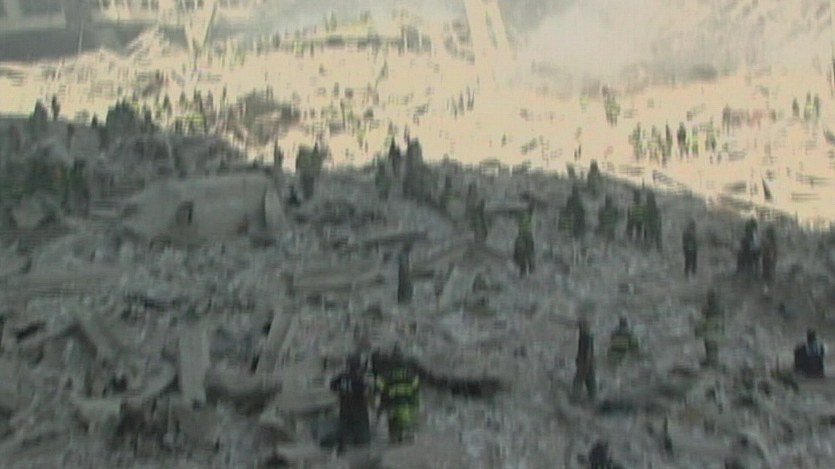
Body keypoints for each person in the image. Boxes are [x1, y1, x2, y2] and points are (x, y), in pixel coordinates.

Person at [377, 347, 420, 444]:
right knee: (407, 420)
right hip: (408, 402)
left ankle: (395, 438)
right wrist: (414, 399)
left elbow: (380, 386)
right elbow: (416, 386)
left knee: (394, 421)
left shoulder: (388, 372)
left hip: (393, 401)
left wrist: (385, 396)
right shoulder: (409, 372)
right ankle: (408, 436)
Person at [329, 355, 371, 452]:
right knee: (360, 426)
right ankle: (359, 444)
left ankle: (344, 443)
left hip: (344, 404)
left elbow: (332, 385)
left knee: (345, 424)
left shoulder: (342, 376)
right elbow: (364, 390)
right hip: (357, 405)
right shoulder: (359, 377)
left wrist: (340, 392)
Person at [695, 290, 724, 368]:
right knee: (712, 346)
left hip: (711, 328)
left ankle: (711, 362)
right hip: (714, 329)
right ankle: (712, 361)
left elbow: (705, 313)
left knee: (710, 346)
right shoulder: (719, 307)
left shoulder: (712, 307)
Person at [573, 318, 596, 400]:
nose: (580, 328)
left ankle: (575, 399)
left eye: (581, 327)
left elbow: (588, 352)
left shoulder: (586, 338)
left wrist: (585, 363)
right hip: (587, 363)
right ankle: (592, 398)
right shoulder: (585, 336)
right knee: (590, 382)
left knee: (578, 381)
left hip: (585, 363)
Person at [513, 210, 535, 277]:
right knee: (523, 252)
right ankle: (526, 269)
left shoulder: (526, 216)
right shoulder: (524, 217)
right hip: (524, 235)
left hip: (526, 235)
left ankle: (529, 268)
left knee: (527, 252)